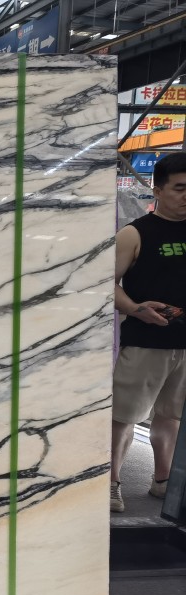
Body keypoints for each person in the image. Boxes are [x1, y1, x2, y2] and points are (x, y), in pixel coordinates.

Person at [111, 151, 186, 512]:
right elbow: (104, 284)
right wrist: (135, 309)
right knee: (123, 417)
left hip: (184, 346)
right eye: (180, 188)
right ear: (157, 191)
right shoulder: (134, 234)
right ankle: (111, 482)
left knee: (171, 416)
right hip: (145, 342)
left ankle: (163, 481)